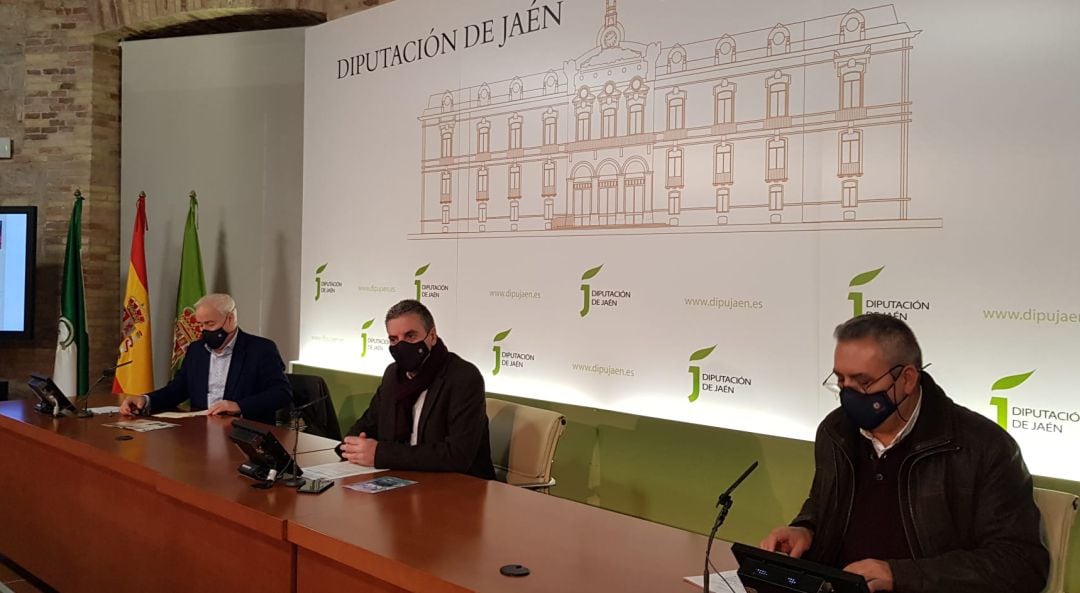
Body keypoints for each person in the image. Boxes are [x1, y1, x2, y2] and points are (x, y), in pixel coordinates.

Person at [761, 313, 1048, 593]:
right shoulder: (835, 432)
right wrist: (805, 529)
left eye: (863, 382)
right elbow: (823, 504)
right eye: (840, 381)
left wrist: (900, 576)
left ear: (907, 379)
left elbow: (1020, 565)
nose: (848, 394)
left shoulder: (983, 446)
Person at [337, 299, 495, 479]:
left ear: (432, 336)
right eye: (394, 339)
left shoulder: (463, 377)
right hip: (402, 481)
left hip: (459, 488)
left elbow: (457, 455)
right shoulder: (393, 375)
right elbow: (366, 424)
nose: (401, 346)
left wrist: (381, 454)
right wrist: (353, 446)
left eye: (410, 336)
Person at [119, 293, 291, 425]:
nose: (204, 330)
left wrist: (238, 405)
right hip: (201, 431)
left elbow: (282, 393)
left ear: (230, 319)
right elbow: (177, 390)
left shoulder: (260, 349)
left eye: (210, 324)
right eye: (200, 324)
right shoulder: (197, 350)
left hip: (243, 432)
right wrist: (145, 400)